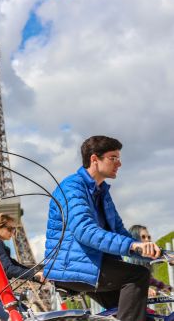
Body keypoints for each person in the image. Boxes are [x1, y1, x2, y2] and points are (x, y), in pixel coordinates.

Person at [43, 135, 162, 321]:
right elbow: (84, 231)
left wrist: (155, 252)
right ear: (94, 159)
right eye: (113, 158)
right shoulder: (72, 187)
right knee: (138, 275)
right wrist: (133, 247)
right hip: (72, 266)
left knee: (141, 316)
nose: (119, 163)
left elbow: (120, 232)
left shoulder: (102, 191)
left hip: (92, 264)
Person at [0, 213, 44, 318]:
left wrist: (35, 273)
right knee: (24, 316)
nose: (13, 232)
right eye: (9, 229)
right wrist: (35, 274)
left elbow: (13, 265)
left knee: (25, 314)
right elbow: (8, 269)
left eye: (14, 229)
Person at [125, 225, 172, 297]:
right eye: (143, 237)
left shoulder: (144, 265)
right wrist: (144, 289)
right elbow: (127, 283)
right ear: (135, 239)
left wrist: (163, 286)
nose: (148, 240)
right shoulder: (126, 264)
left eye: (149, 237)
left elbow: (149, 279)